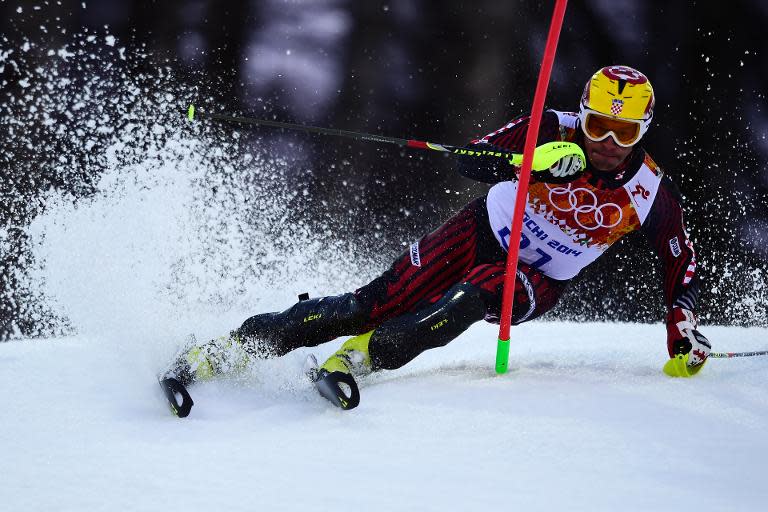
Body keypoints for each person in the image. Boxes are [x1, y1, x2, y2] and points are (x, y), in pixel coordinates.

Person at [161, 65, 711, 412]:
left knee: (473, 296)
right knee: (368, 303)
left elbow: (679, 264)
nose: (609, 143)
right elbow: (468, 159)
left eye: (626, 132)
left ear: (645, 130)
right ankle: (224, 352)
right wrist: (529, 163)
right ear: (584, 116)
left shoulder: (649, 191)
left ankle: (358, 360)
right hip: (479, 230)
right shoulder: (550, 126)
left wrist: (681, 330)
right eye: (598, 127)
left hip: (537, 279)